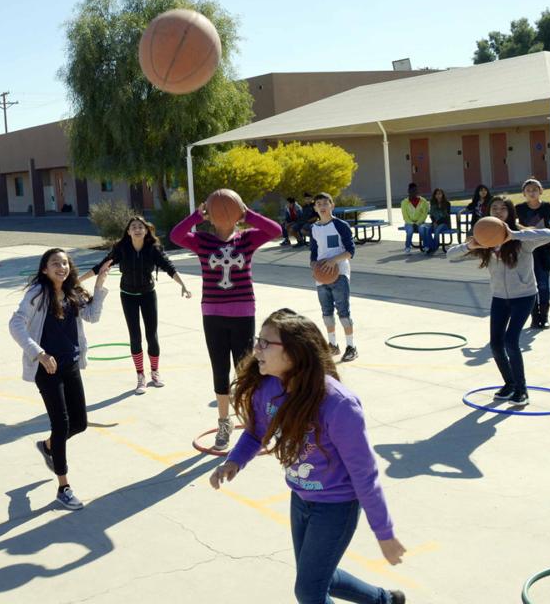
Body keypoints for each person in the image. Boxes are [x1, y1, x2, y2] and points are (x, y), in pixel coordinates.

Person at [210, 310, 406, 604]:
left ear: (294, 352)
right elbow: (254, 433)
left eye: (265, 343)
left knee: (309, 592)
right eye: (258, 341)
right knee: (316, 576)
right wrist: (235, 461)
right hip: (300, 498)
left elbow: (365, 474)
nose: (256, 350)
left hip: (336, 507)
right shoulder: (268, 387)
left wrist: (384, 532)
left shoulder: (339, 405)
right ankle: (385, 600)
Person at [171, 191, 283, 451]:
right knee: (219, 369)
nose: (224, 214)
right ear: (210, 217)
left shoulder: (247, 238)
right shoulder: (202, 241)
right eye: (217, 211)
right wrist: (196, 216)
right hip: (213, 313)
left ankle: (255, 421)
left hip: (243, 311)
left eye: (229, 210)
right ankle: (224, 421)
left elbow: (276, 230)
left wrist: (248, 214)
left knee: (245, 371)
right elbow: (176, 236)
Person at [8, 249, 109, 510]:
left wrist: (99, 286)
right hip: (47, 368)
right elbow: (15, 324)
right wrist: (39, 354)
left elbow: (93, 316)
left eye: (65, 263)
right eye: (55, 263)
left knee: (80, 423)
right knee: (61, 424)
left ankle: (48, 445)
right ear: (44, 269)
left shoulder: (73, 292)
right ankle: (64, 487)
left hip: (71, 364)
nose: (61, 267)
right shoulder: (37, 295)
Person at [448, 197, 550, 405]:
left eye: (503, 208)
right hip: (499, 297)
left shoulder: (521, 238)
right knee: (496, 345)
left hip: (523, 296)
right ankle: (510, 383)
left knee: (511, 341)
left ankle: (522, 390)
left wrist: (513, 234)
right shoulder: (485, 238)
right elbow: (451, 255)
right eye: (494, 208)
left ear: (510, 212)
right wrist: (471, 244)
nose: (498, 211)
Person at [80, 216, 191, 393]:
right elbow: (100, 266)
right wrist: (77, 281)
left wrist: (183, 285)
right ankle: (140, 377)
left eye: (141, 226)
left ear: (146, 230)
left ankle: (155, 372)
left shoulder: (153, 249)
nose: (137, 229)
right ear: (128, 231)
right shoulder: (122, 249)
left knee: (152, 335)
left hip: (148, 295)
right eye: (134, 227)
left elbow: (169, 267)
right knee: (135, 336)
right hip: (128, 296)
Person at [310, 193, 358, 362]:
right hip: (321, 276)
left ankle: (351, 346)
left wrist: (333, 260)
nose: (322, 206)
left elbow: (351, 251)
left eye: (325, 203)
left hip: (340, 273)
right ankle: (332, 345)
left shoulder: (340, 225)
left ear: (332, 205)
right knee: (326, 313)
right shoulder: (314, 228)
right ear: (315, 208)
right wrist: (314, 267)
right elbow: (314, 253)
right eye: (318, 203)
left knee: (343, 312)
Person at [517, 179, 550, 329]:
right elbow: (509, 224)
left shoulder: (548, 208)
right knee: (530, 285)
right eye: (529, 190)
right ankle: (534, 316)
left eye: (535, 189)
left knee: (543, 284)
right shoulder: (519, 209)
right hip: (526, 251)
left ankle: (544, 317)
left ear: (540, 191)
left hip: (545, 251)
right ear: (524, 193)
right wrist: (525, 229)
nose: (532, 192)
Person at [399, 183, 430, 255]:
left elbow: (424, 214)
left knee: (422, 229)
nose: (413, 192)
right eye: (411, 190)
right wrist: (412, 224)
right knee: (410, 230)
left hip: (420, 223)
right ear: (408, 191)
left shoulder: (423, 201)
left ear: (417, 191)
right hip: (409, 223)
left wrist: (417, 223)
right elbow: (405, 216)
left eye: (415, 190)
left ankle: (426, 246)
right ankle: (407, 247)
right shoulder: (404, 202)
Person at [425, 188, 452, 255]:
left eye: (440, 194)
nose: (438, 195)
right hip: (435, 223)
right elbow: (431, 215)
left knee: (437, 231)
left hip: (445, 224)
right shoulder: (433, 203)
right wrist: (434, 222)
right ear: (434, 195)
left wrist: (437, 223)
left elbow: (446, 217)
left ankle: (434, 248)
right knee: (428, 230)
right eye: (436, 194)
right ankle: (432, 247)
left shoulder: (447, 204)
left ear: (442, 195)